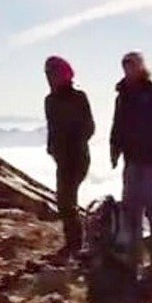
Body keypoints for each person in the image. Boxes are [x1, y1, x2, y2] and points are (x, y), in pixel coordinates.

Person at [110, 51, 152, 278]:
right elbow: (118, 124)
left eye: (132, 66)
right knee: (131, 211)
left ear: (140, 67)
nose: (129, 71)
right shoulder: (123, 95)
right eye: (126, 67)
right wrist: (114, 149)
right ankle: (133, 259)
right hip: (132, 160)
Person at [43, 56, 94, 257]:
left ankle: (76, 244)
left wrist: (73, 143)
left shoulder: (78, 97)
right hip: (62, 157)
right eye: (48, 74)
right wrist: (53, 148)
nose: (50, 78)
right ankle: (73, 242)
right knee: (64, 201)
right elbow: (52, 128)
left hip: (77, 156)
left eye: (53, 73)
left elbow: (89, 126)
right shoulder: (50, 100)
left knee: (66, 199)